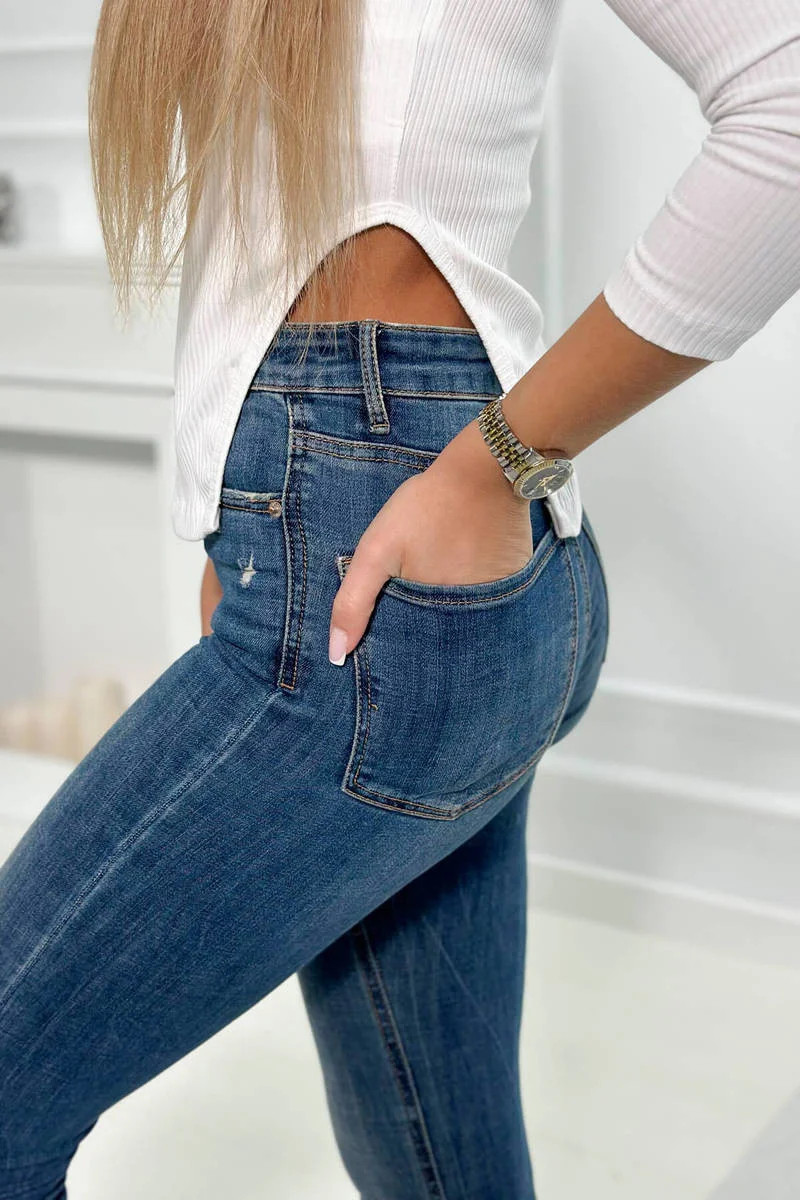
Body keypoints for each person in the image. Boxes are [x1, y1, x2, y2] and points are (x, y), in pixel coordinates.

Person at [1, 1, 798, 1197]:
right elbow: (258, 230)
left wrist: (496, 463)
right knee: (437, 1162)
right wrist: (226, 494)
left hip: (385, 566)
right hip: (387, 558)